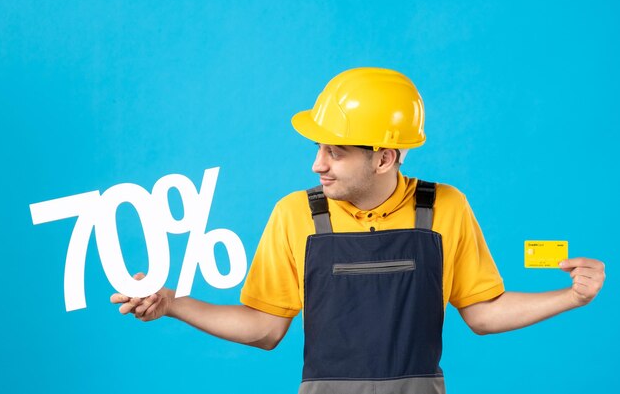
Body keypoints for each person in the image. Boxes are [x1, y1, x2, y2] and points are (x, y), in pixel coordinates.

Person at [111, 68, 605, 394]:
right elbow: (264, 329)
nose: (317, 164)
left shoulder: (444, 208)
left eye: (336, 153)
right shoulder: (295, 214)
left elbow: (482, 312)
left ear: (385, 157)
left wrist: (571, 298)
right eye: (320, 148)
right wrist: (171, 304)